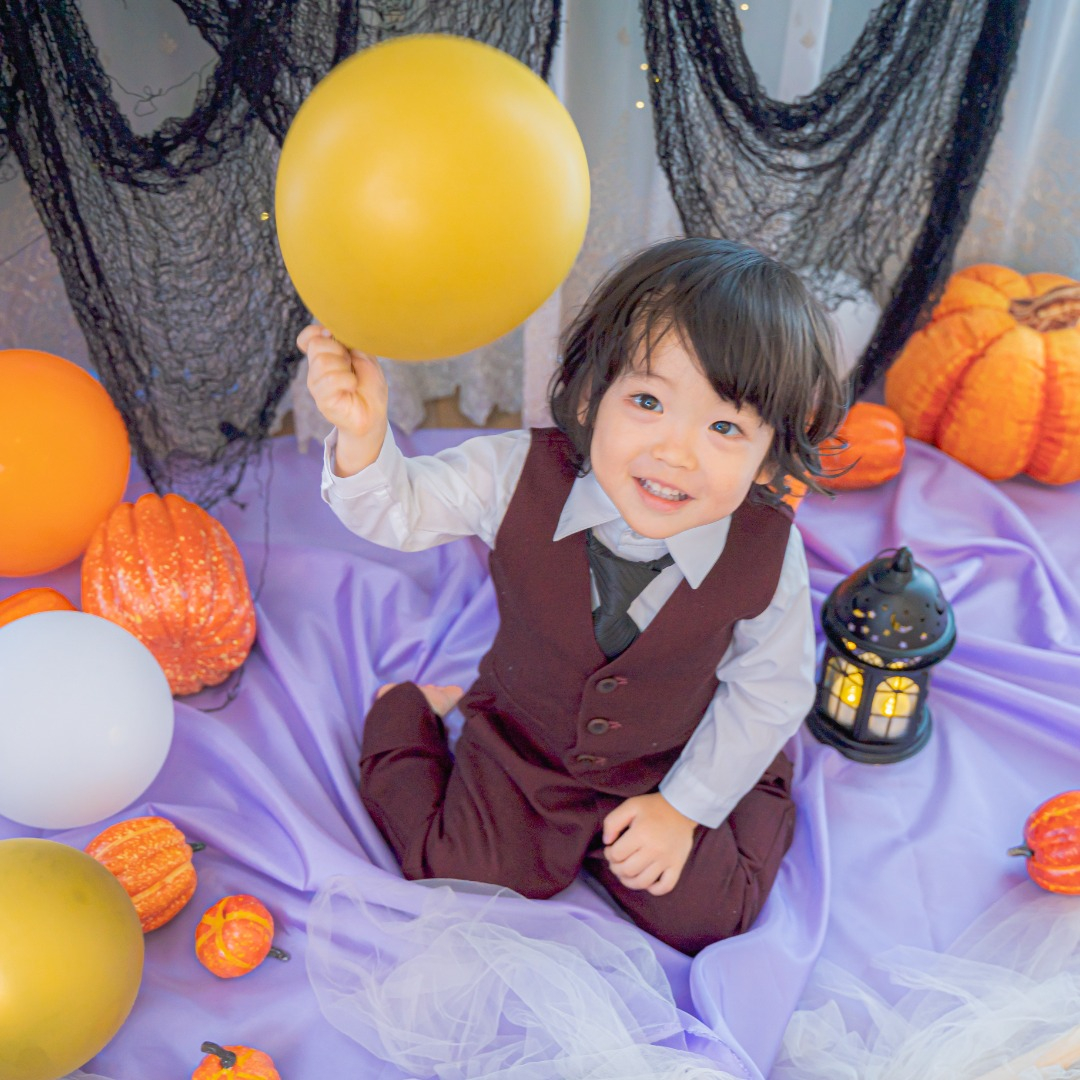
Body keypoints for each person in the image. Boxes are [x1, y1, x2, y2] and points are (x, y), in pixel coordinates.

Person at [300, 237, 846, 955]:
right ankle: (408, 709)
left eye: (724, 427)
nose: (675, 453)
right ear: (591, 396)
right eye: (647, 401)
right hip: (528, 745)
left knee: (713, 917)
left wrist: (685, 808)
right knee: (457, 870)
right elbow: (399, 511)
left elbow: (771, 687)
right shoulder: (516, 473)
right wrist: (364, 435)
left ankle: (751, 778)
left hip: (672, 751)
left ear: (769, 456)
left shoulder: (768, 550)